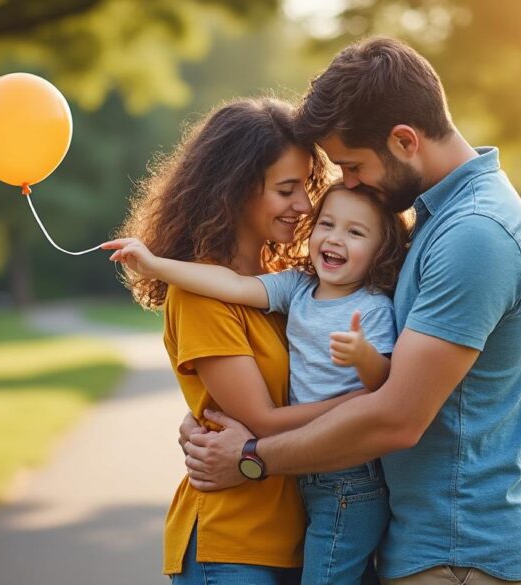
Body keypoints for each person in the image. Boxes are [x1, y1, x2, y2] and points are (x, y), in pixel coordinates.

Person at [178, 37, 521, 585]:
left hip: (457, 555)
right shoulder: (438, 219)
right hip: (427, 545)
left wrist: (252, 456)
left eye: (351, 166)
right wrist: (212, 414)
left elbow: (397, 416)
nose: (345, 185)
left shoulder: (473, 233)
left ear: (404, 140)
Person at [115, 97, 377, 584]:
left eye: (307, 186)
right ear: (234, 191)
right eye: (286, 189)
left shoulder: (290, 282)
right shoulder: (200, 294)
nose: (303, 205)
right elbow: (260, 419)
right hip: (234, 544)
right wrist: (372, 404)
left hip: (298, 533)